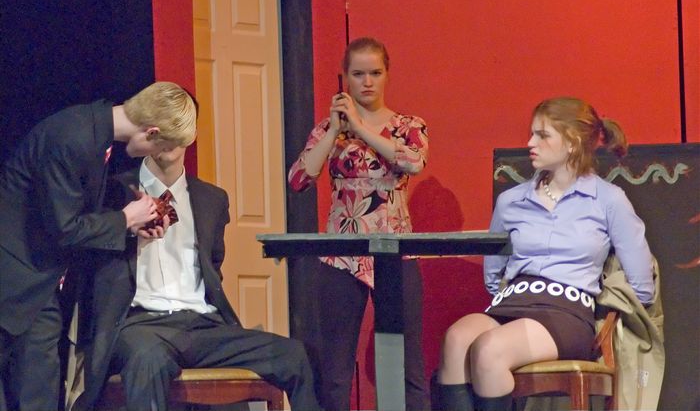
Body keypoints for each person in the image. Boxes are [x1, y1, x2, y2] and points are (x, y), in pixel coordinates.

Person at [435, 97, 655, 411]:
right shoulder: (512, 201)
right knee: (456, 340)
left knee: (489, 350)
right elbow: (493, 273)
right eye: (532, 133)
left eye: (542, 135)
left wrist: (602, 310)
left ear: (572, 142)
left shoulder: (608, 200)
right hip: (512, 301)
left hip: (566, 312)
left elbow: (642, 286)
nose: (530, 143)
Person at [71, 146, 321, 411]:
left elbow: (213, 265)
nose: (168, 140)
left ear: (188, 136)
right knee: (148, 359)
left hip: (202, 324)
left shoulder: (211, 198)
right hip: (139, 324)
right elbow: (87, 255)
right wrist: (128, 230)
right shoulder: (111, 192)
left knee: (295, 355)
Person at [0, 81, 197, 411]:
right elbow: (65, 229)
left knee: (39, 394)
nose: (154, 155)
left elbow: (75, 216)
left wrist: (132, 227)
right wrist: (125, 218)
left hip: (37, 286)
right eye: (160, 147)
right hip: (13, 283)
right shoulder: (71, 137)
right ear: (151, 132)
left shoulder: (95, 133)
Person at [288, 36, 430, 410]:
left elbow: (413, 161)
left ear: (387, 74)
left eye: (375, 73)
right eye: (358, 74)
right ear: (345, 77)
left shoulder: (407, 125)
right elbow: (299, 180)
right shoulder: (328, 129)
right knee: (334, 368)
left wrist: (361, 127)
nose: (367, 82)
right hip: (342, 253)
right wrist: (336, 130)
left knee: (407, 363)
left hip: (395, 251)